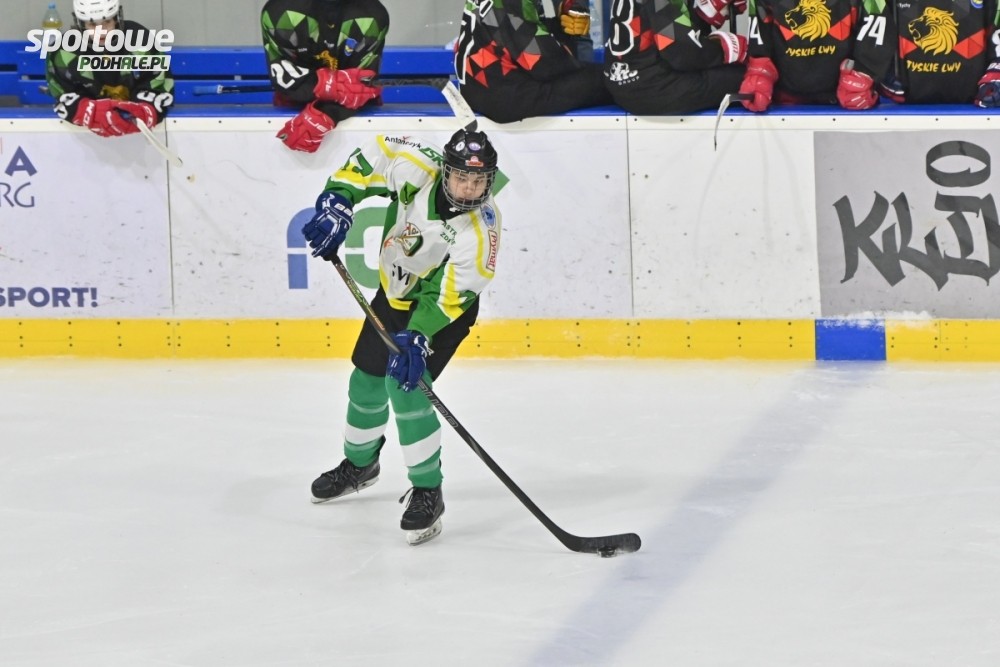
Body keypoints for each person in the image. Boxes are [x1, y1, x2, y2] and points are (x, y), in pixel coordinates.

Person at [302, 129, 502, 546]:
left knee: (406, 387)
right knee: (365, 380)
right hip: (394, 293)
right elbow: (374, 154)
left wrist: (419, 335)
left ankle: (429, 491)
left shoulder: (482, 230)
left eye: (479, 181)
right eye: (462, 177)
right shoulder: (418, 166)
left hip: (442, 312)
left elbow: (451, 295)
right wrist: (338, 198)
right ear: (445, 171)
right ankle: (360, 465)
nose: (469, 188)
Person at [261, 0, 389, 153]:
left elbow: (363, 87)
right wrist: (325, 84)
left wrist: (328, 113)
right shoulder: (281, 11)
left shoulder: (372, 15)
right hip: (292, 111)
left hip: (357, 114)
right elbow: (284, 74)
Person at [454, 0, 612, 123]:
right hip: (504, 97)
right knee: (608, 79)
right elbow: (544, 63)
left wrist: (561, 18)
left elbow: (513, 34)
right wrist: (571, 54)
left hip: (479, 90)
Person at [46, 0, 174, 137]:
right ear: (80, 24)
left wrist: (144, 110)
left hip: (139, 133)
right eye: (92, 24)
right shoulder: (64, 50)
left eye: (107, 22)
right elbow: (62, 93)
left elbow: (159, 82)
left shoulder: (139, 38)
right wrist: (90, 112)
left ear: (117, 18)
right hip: (88, 138)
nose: (101, 31)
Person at [739, 0, 895, 112]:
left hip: (842, 100)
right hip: (785, 102)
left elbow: (877, 24)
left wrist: (863, 74)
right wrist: (760, 75)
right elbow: (760, 32)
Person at [602, 0, 748, 114]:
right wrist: (725, 49)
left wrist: (702, 14)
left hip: (623, 86)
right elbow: (683, 54)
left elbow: (665, 31)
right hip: (653, 90)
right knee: (748, 78)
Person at [878, 0, 1000, 107]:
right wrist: (881, 74)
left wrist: (996, 72)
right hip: (904, 105)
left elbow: (997, 21)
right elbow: (875, 21)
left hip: (977, 102)